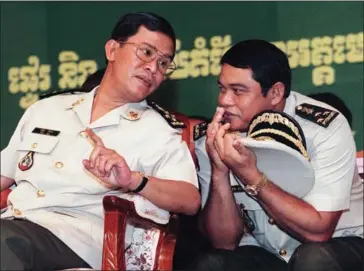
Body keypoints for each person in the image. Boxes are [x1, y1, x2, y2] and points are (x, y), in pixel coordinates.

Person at [0, 12, 200, 270]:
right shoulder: (47, 109)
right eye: (147, 53)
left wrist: (133, 180)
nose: (153, 68)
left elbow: (190, 199)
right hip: (16, 226)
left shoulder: (158, 132)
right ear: (113, 49)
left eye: (163, 63)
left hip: (76, 241)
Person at [193, 39, 364, 271]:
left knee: (312, 260)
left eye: (238, 91)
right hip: (269, 252)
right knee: (212, 264)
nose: (224, 100)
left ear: (275, 93)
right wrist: (220, 172)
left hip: (341, 245)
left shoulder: (323, 128)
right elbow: (223, 242)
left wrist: (251, 176)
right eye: (222, 89)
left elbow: (319, 231)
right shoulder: (214, 137)